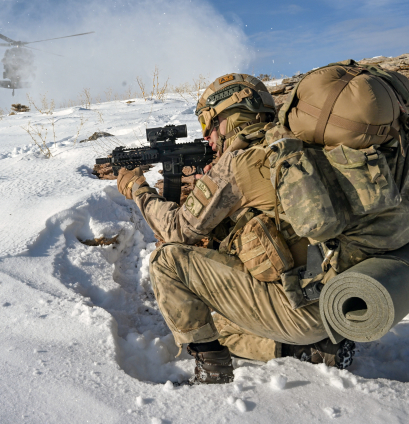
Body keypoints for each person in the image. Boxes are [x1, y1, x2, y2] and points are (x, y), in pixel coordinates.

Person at [117, 73, 363, 384]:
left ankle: (213, 369)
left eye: (211, 125)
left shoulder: (239, 162)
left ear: (231, 118)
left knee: (169, 261)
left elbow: (177, 230)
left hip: (301, 310)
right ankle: (319, 345)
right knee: (226, 318)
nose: (208, 138)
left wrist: (138, 189)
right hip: (344, 299)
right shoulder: (297, 145)